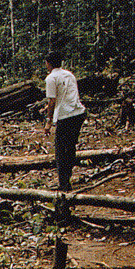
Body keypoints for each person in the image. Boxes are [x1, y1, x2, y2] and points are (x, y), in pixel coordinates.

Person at [42, 51, 86, 192]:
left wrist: (48, 121)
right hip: (78, 113)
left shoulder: (51, 78)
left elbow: (52, 100)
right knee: (70, 147)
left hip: (65, 116)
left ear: (48, 63)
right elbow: (67, 95)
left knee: (61, 151)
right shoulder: (69, 75)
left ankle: (64, 184)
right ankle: (67, 178)